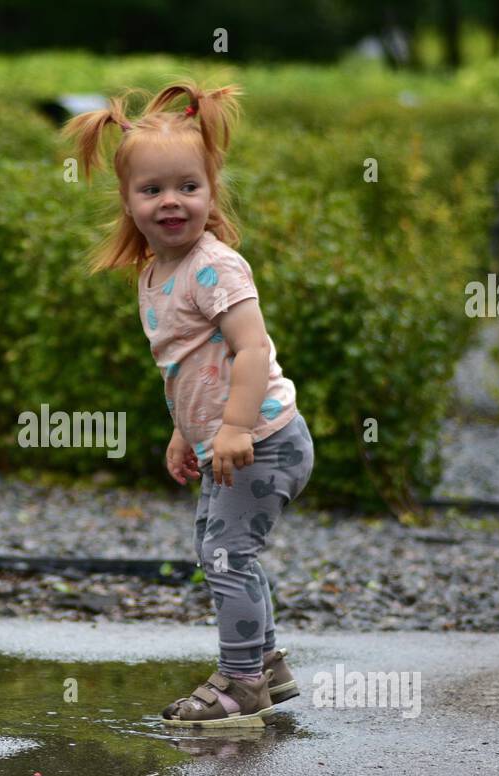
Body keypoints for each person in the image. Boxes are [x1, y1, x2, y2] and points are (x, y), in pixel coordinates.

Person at [61, 79, 315, 728]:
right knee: (219, 549)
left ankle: (240, 685)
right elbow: (185, 365)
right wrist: (186, 431)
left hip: (263, 438)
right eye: (152, 190)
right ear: (127, 200)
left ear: (210, 191)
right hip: (226, 441)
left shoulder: (217, 266)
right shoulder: (153, 271)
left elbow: (252, 351)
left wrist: (233, 428)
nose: (171, 202)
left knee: (227, 557)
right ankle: (267, 664)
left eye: (187, 187)